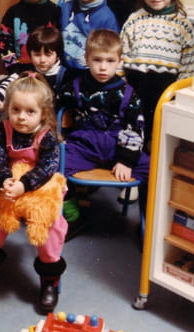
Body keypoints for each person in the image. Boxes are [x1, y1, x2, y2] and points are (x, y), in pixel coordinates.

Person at [0, 73, 67, 312]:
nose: (21, 117)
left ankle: (49, 278)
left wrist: (24, 185)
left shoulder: (47, 136)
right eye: (15, 110)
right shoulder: (1, 131)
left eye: (30, 111)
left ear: (43, 113)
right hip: (6, 184)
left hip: (38, 186)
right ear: (8, 109)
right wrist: (5, 179)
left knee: (50, 223)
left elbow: (48, 167)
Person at [60, 29, 148, 229]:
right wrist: (58, 135)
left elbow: (136, 126)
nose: (103, 67)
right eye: (97, 60)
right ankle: (72, 215)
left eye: (110, 61)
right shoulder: (74, 87)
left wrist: (126, 160)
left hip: (119, 149)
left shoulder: (128, 93)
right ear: (86, 59)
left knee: (154, 170)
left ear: (119, 61)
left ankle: (148, 225)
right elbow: (53, 108)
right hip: (84, 146)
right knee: (55, 164)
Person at [120, 0, 194, 144]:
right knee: (132, 135)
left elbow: (188, 66)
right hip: (134, 88)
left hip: (165, 91)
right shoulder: (134, 20)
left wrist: (178, 95)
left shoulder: (183, 25)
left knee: (157, 139)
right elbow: (121, 55)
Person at [0, 26, 75, 110]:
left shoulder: (66, 76)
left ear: (58, 55)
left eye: (48, 55)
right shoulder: (25, 71)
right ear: (30, 54)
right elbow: (8, 84)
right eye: (37, 55)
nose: (42, 60)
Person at [0, 0, 61, 72]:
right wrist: (13, 68)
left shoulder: (56, 12)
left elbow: (60, 44)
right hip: (19, 70)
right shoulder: (13, 12)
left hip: (48, 71)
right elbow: (5, 42)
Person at [60, 0, 118, 70]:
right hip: (65, 70)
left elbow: (111, 52)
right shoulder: (67, 7)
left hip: (92, 72)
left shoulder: (107, 17)